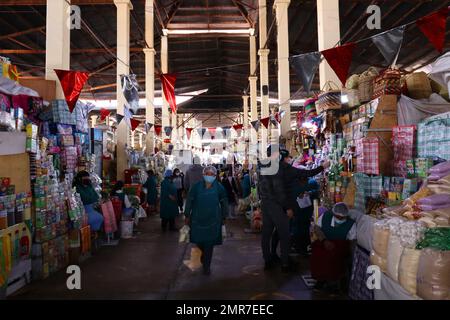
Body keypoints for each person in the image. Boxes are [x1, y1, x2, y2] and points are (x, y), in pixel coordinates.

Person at [258, 146, 328, 273]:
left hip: (265, 204)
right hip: (278, 205)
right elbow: (304, 174)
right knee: (284, 234)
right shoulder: (282, 168)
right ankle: (285, 264)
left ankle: (268, 260)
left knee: (266, 233)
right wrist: (322, 167)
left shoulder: (263, 166)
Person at [184, 166, 229, 275]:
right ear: (204, 175)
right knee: (199, 241)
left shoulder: (219, 187)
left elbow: (224, 201)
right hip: (197, 219)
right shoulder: (196, 187)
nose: (209, 176)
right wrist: (187, 214)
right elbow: (189, 200)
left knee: (209, 244)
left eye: (212, 175)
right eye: (207, 174)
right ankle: (204, 255)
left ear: (215, 176)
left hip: (213, 220)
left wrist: (224, 215)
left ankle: (206, 266)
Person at [311, 202, 356, 293]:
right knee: (318, 254)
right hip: (324, 241)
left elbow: (351, 240)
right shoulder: (325, 216)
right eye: (337, 216)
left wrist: (351, 256)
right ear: (333, 213)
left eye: (342, 217)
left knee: (335, 256)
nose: (339, 219)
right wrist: (324, 241)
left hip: (339, 244)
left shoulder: (351, 224)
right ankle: (321, 280)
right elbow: (317, 228)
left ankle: (333, 283)